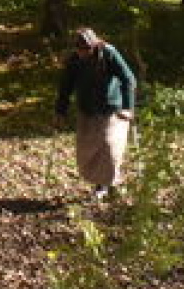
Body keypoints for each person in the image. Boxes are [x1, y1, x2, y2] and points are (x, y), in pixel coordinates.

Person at [55, 27, 137, 201]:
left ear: (94, 45)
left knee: (108, 146)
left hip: (112, 109)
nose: (83, 52)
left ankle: (105, 184)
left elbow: (128, 78)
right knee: (87, 150)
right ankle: (103, 182)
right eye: (79, 49)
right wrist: (60, 112)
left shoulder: (108, 53)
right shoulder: (74, 60)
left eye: (86, 49)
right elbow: (65, 87)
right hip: (87, 109)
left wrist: (128, 107)